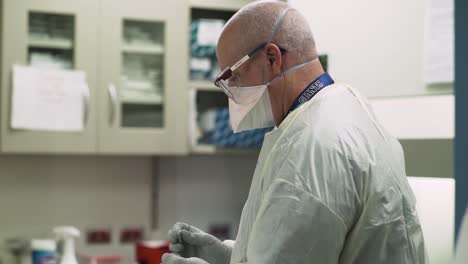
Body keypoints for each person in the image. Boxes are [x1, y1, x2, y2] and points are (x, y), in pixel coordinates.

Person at [162, 1, 427, 263]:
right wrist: (228, 256)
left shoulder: (311, 146)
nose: (233, 91)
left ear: (271, 58)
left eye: (234, 77)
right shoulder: (344, 106)